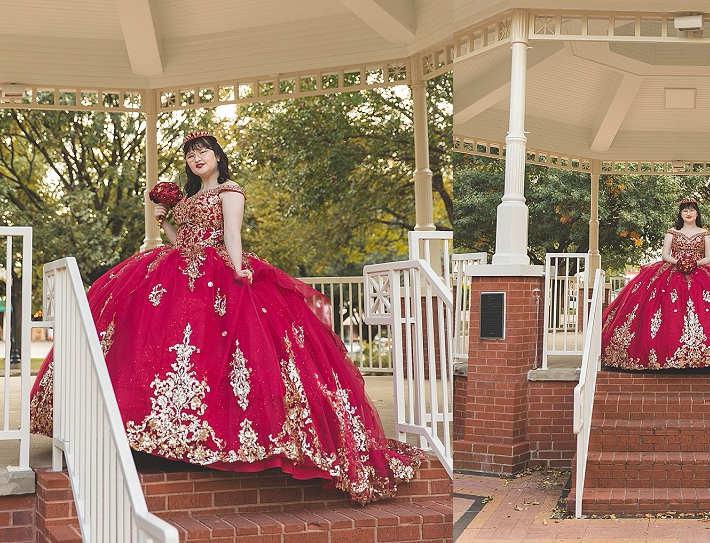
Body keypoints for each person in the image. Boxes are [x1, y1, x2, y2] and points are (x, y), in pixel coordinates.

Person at [30, 133, 421, 502]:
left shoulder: (230, 190)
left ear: (217, 156)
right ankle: (153, 433)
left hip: (216, 271)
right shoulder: (189, 197)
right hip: (177, 268)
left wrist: (238, 270)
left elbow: (231, 235)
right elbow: (180, 242)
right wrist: (165, 220)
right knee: (154, 348)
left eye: (203, 151)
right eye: (190, 155)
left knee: (218, 355)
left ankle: (221, 438)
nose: (196, 158)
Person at [600, 199, 710, 371]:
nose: (688, 213)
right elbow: (665, 255)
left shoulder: (705, 234)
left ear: (697, 213)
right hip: (672, 270)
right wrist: (679, 263)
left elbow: (709, 257)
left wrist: (694, 264)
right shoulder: (672, 232)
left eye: (692, 210)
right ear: (680, 214)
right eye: (685, 210)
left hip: (701, 271)